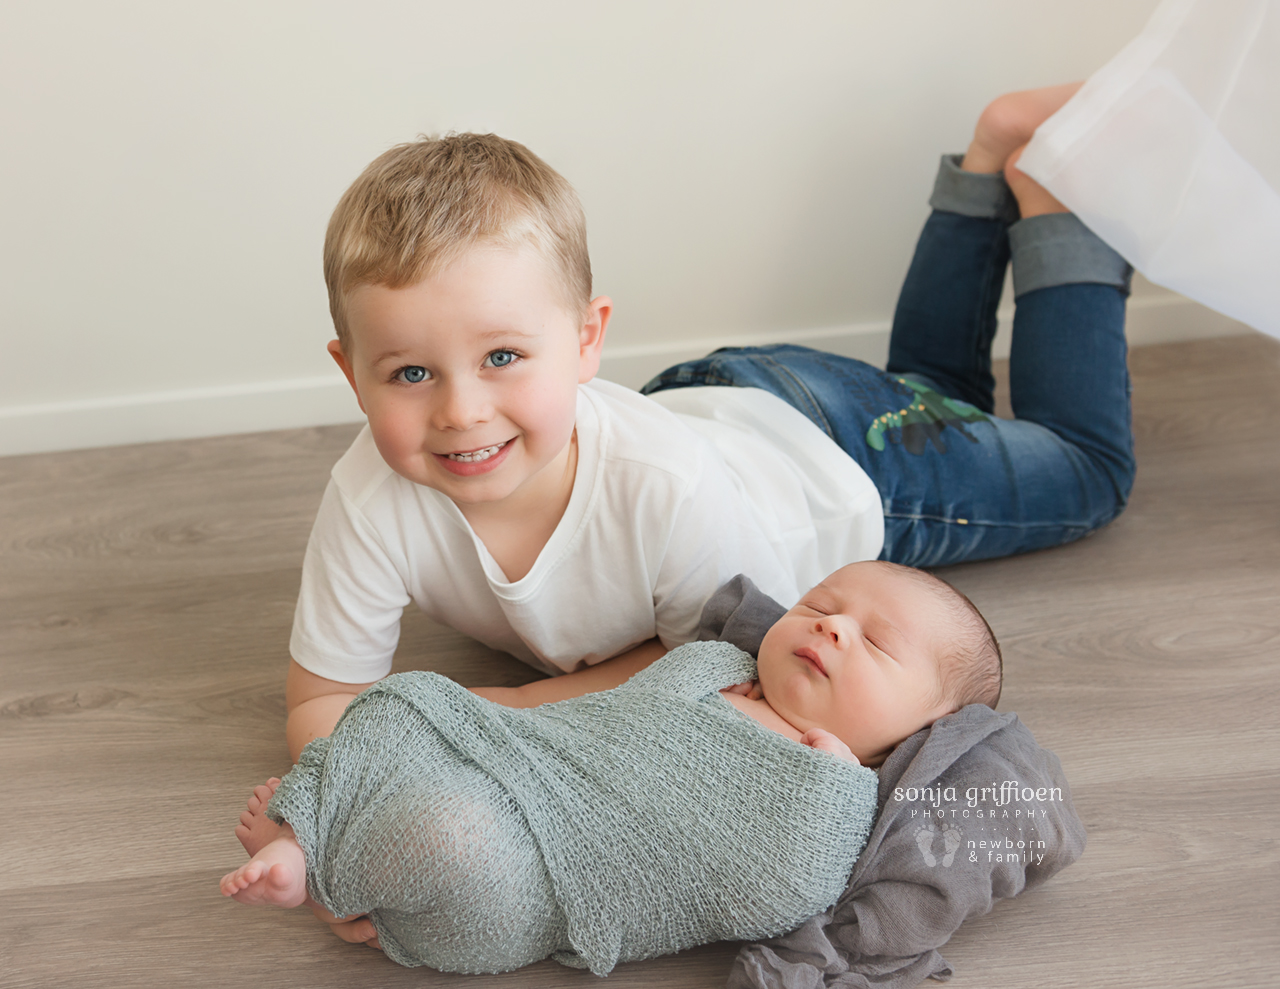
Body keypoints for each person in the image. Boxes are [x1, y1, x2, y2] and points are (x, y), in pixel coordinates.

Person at [259, 80, 1132, 946]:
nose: (460, 411)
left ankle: (1057, 197)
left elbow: (708, 660)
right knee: (937, 395)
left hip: (833, 459)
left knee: (1086, 473)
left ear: (587, 340)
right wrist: (356, 826)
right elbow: (328, 699)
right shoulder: (369, 498)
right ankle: (988, 161)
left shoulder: (664, 488)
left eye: (501, 356)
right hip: (714, 407)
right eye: (411, 373)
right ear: (351, 370)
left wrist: (512, 707)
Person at [221, 561, 1002, 974]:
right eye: (820, 603)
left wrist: (831, 785)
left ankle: (327, 863)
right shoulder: (711, 662)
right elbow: (588, 725)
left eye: (874, 642)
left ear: (922, 731)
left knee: (449, 836)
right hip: (521, 771)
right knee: (407, 698)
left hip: (529, 892)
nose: (831, 626)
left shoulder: (841, 799)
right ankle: (304, 848)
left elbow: (773, 892)